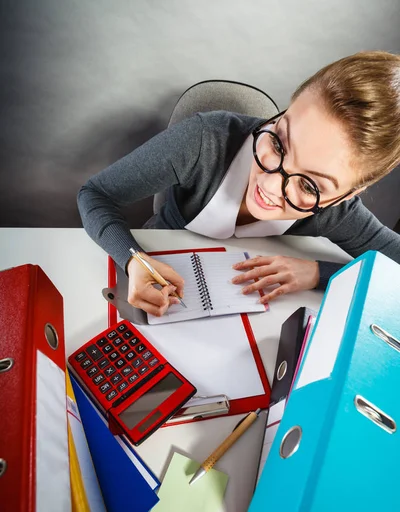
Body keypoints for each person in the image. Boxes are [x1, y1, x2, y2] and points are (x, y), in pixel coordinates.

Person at [78, 51, 400, 317]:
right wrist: (134, 259)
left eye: (310, 187)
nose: (272, 187)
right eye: (279, 143)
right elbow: (95, 194)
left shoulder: (339, 213)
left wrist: (318, 273)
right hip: (160, 261)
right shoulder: (203, 141)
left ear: (348, 194)